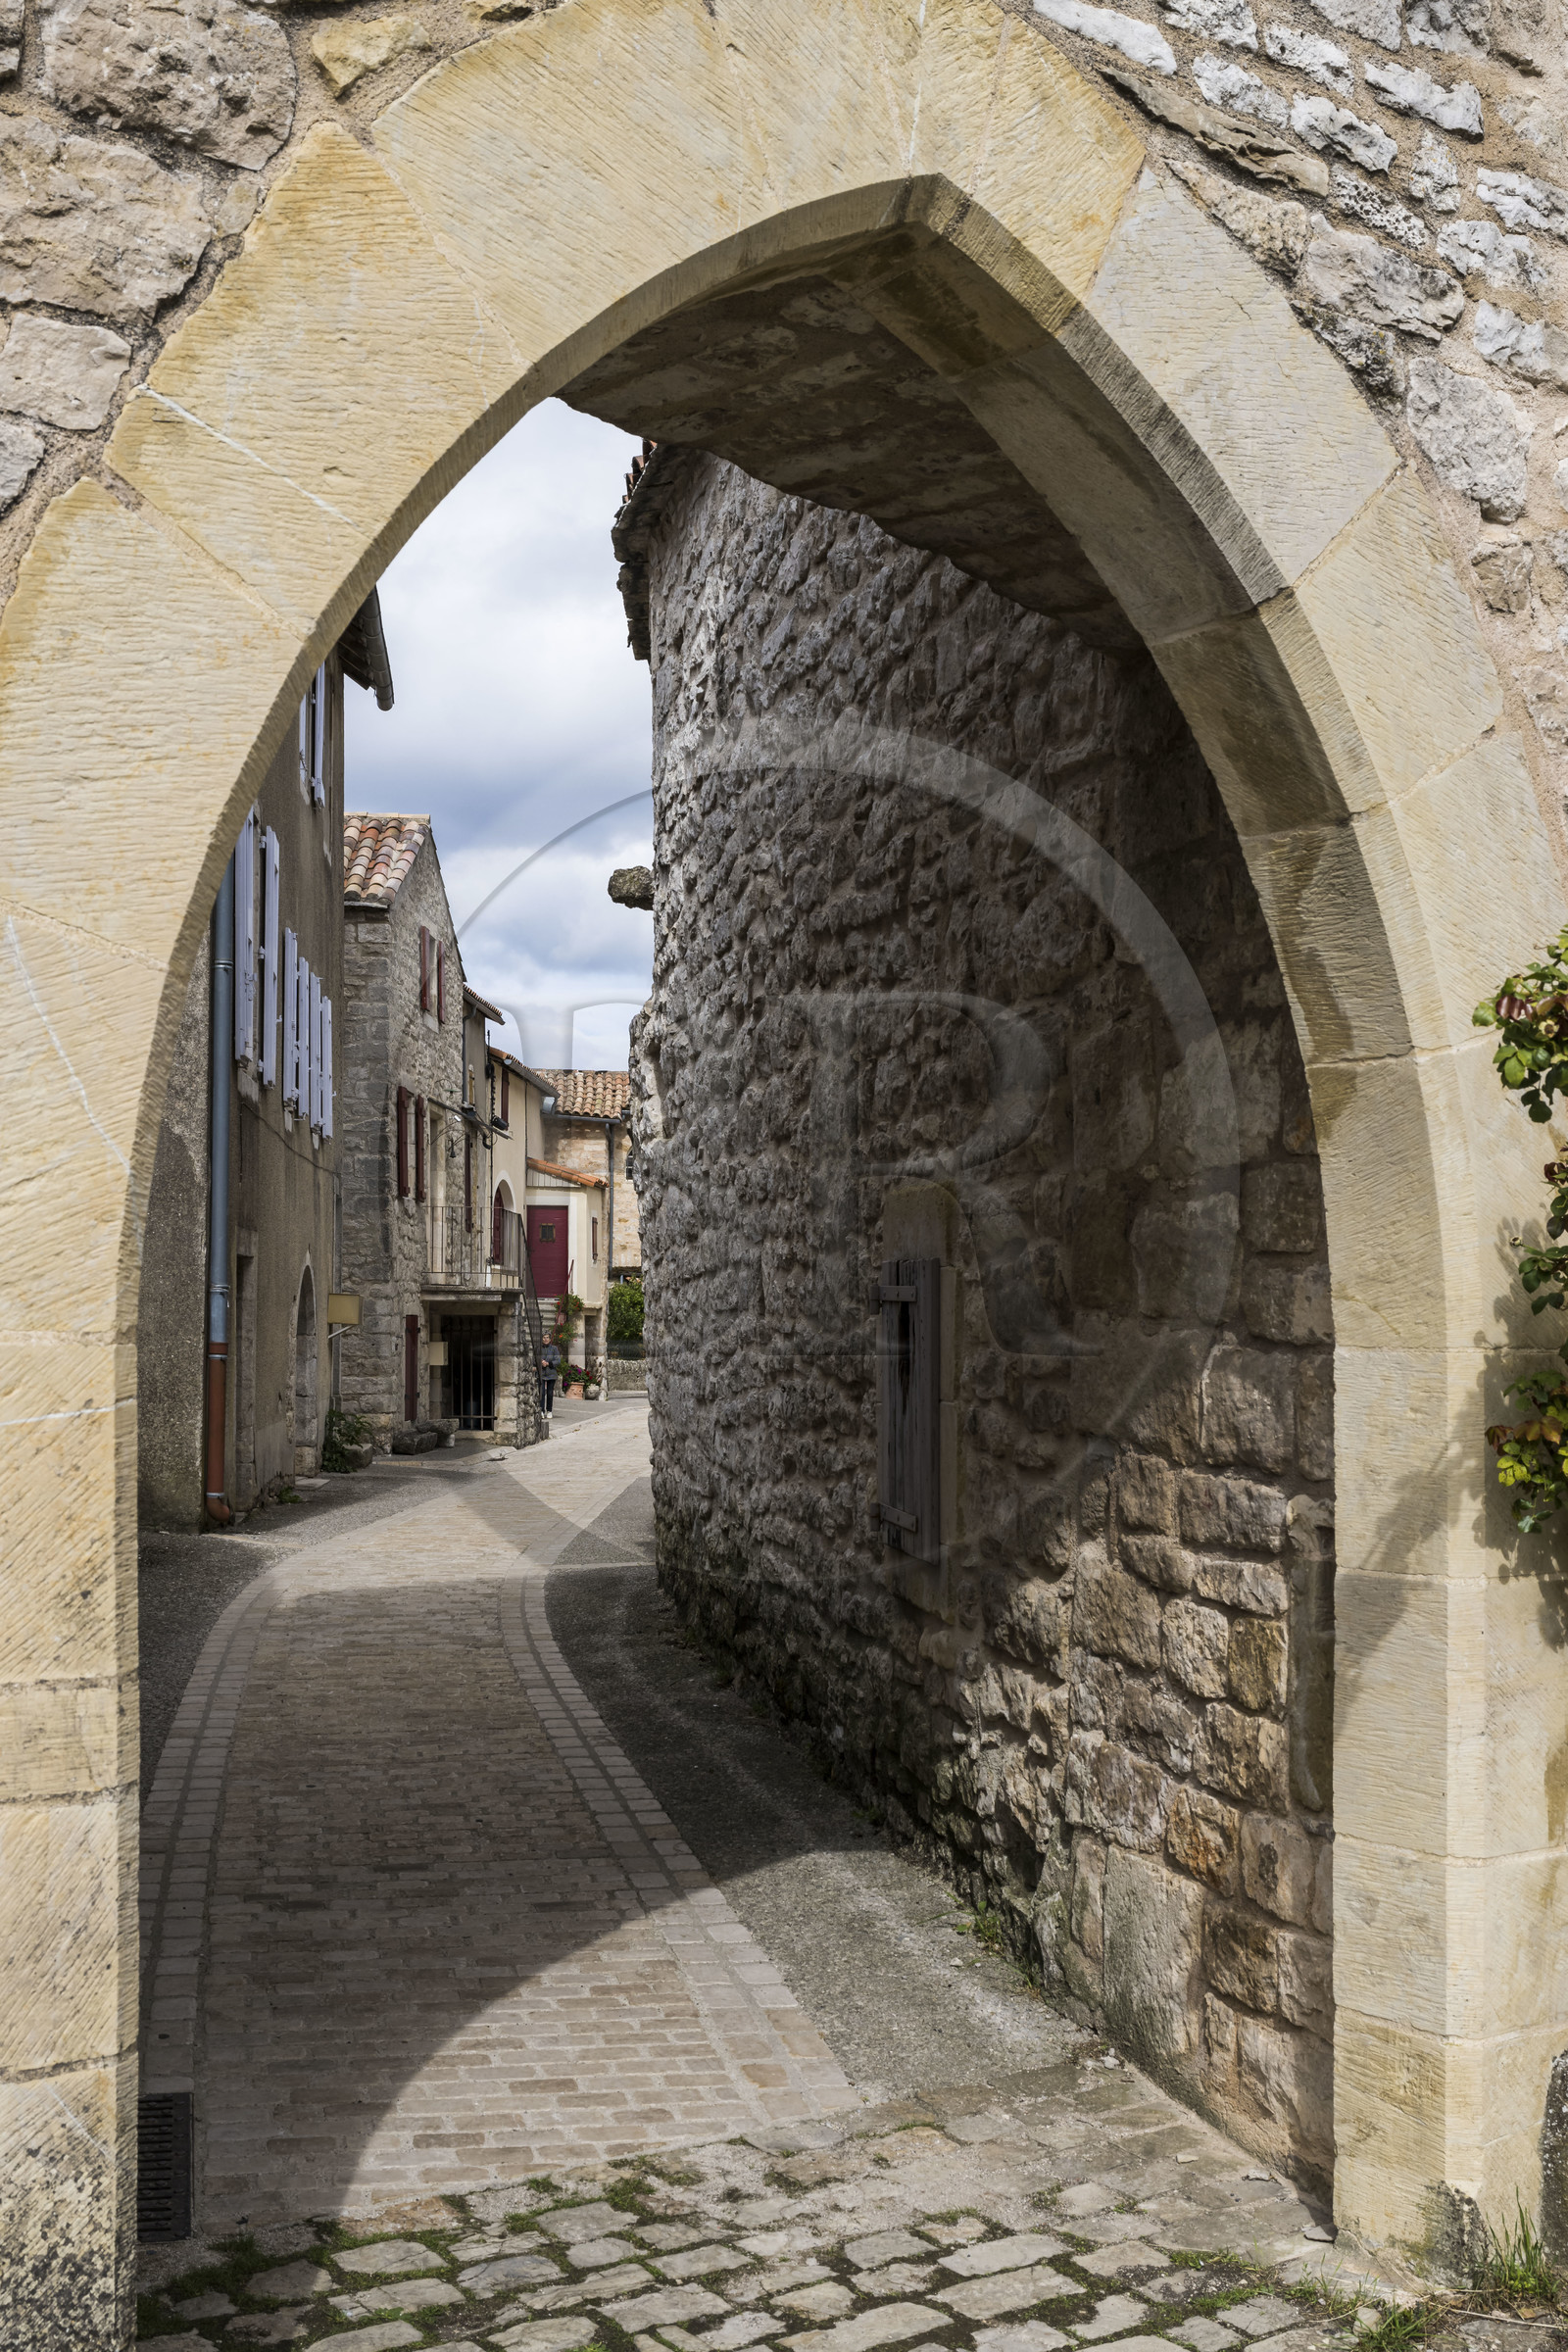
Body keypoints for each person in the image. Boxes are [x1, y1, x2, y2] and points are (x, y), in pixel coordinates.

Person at [539, 1337, 562, 1415]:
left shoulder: (554, 1348)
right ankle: (541, 1410)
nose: (545, 1339)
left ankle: (549, 1410)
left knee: (549, 1393)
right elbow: (534, 1359)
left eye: (547, 1338)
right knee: (541, 1393)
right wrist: (541, 1362)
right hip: (541, 1373)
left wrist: (548, 1363)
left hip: (551, 1373)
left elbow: (558, 1360)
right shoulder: (538, 1348)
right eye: (544, 1338)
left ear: (549, 1339)